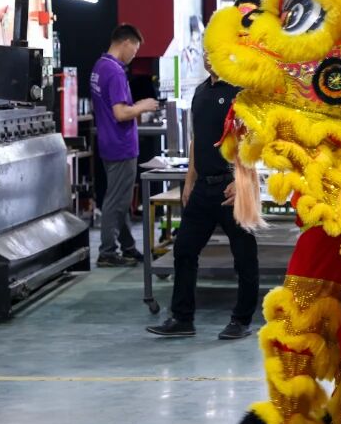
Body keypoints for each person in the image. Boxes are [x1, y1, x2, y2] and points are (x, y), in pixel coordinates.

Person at [147, 54, 258, 340]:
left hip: (231, 189)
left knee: (244, 256)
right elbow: (197, 139)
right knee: (184, 250)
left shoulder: (240, 91)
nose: (209, 56)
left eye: (213, 49)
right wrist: (189, 181)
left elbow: (251, 140)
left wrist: (242, 182)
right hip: (202, 189)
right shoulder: (200, 92)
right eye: (205, 49)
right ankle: (182, 318)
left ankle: (242, 320)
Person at [91, 25, 159, 267]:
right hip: (121, 145)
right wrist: (143, 106)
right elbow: (120, 113)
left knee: (119, 198)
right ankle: (107, 252)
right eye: (135, 49)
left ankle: (128, 247)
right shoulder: (115, 72)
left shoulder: (100, 67)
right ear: (126, 43)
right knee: (116, 202)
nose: (134, 55)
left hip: (108, 143)